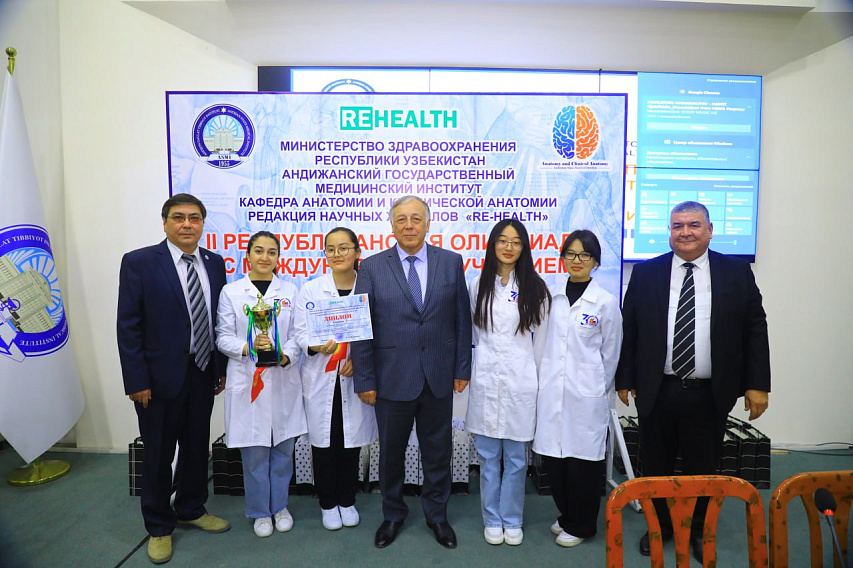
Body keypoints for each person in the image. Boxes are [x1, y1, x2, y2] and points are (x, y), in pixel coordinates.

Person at [616, 201, 770, 563]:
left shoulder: (735, 272)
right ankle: (660, 527)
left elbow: (755, 329)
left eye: (694, 225)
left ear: (710, 230)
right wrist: (625, 378)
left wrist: (758, 383)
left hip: (709, 392)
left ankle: (699, 530)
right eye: (677, 226)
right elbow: (631, 329)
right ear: (669, 232)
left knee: (703, 467)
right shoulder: (647, 273)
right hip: (657, 389)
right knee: (655, 466)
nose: (685, 232)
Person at [351, 195, 472, 549]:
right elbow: (362, 328)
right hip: (391, 380)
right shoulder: (371, 267)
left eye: (416, 218)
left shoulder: (451, 262)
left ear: (428, 223)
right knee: (391, 454)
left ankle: (437, 516)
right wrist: (365, 379)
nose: (408, 225)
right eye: (401, 219)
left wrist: (461, 368)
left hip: (438, 377)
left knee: (438, 453)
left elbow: (461, 320)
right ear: (391, 225)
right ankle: (392, 515)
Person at [117, 193, 230, 564]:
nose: (187, 224)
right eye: (179, 217)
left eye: (194, 218)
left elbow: (217, 320)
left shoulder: (214, 263)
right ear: (165, 222)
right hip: (157, 379)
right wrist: (136, 380)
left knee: (197, 447)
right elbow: (128, 326)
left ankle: (191, 508)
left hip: (202, 372)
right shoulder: (139, 262)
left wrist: (219, 369)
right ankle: (159, 526)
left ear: (202, 224)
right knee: (159, 453)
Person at [532, 229, 622, 549]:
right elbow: (541, 345)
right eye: (570, 254)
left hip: (587, 397)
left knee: (583, 462)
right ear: (562, 258)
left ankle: (583, 524)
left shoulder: (605, 302)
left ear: (595, 261)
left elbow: (611, 354)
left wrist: (594, 386)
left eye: (585, 255)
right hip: (552, 391)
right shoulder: (551, 297)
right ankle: (567, 514)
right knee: (555, 459)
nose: (577, 260)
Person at [215, 231, 307, 538]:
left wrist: (286, 355)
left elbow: (297, 334)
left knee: (282, 451)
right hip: (247, 379)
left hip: (282, 379)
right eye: (259, 251)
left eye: (271, 252)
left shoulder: (290, 291)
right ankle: (260, 512)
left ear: (279, 257)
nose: (265, 257)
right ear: (248, 256)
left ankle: (280, 507)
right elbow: (223, 336)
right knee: (254, 454)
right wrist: (248, 347)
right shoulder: (231, 292)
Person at [467, 219, 550, 546]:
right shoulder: (478, 285)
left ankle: (512, 519)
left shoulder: (535, 287)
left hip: (521, 381)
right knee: (488, 457)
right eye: (503, 240)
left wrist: (538, 381)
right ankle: (492, 518)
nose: (509, 247)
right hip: (486, 379)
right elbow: (475, 334)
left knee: (516, 459)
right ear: (493, 244)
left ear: (524, 247)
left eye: (516, 242)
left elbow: (540, 343)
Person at [293, 227, 378, 531]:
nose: (337, 254)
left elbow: (381, 331)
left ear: (357, 251)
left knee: (350, 441)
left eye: (344, 248)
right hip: (321, 375)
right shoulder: (311, 290)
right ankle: (328, 503)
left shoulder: (369, 287)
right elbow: (300, 332)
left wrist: (361, 360)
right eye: (331, 249)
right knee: (324, 442)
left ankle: (347, 499)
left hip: (355, 376)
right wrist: (317, 346)